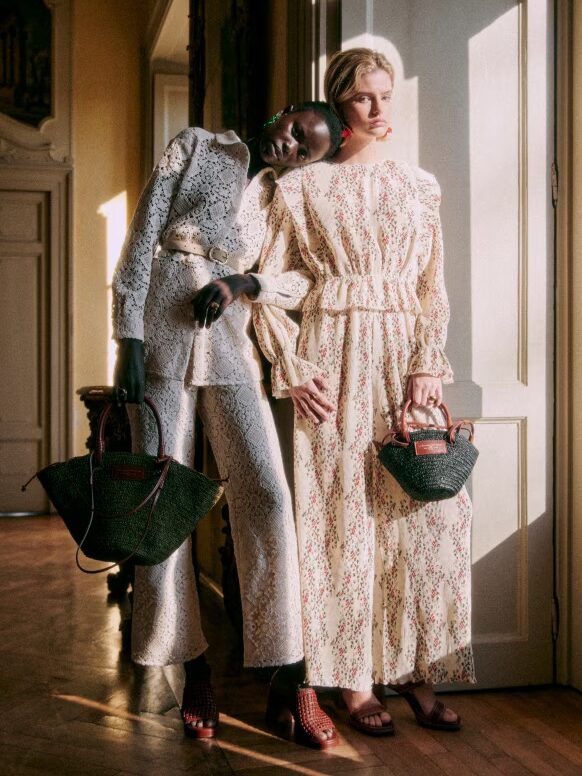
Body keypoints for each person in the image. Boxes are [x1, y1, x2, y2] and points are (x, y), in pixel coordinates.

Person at [203, 47, 475, 738]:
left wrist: (427, 364)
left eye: (387, 95)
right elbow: (269, 285)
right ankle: (353, 679)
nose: (381, 110)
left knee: (417, 515)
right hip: (334, 356)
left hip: (402, 354)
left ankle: (416, 672)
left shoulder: (420, 185)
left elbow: (431, 286)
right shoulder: (300, 190)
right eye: (364, 99)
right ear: (338, 106)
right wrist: (292, 365)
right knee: (341, 517)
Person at [112, 102, 343, 743]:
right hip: (162, 327)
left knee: (267, 494)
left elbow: (301, 280)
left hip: (231, 344)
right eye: (295, 130)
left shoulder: (284, 199)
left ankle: (289, 675)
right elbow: (143, 233)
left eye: (306, 150)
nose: (290, 147)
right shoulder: (197, 147)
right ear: (283, 113)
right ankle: (195, 668)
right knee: (166, 501)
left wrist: (244, 283)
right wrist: (126, 336)